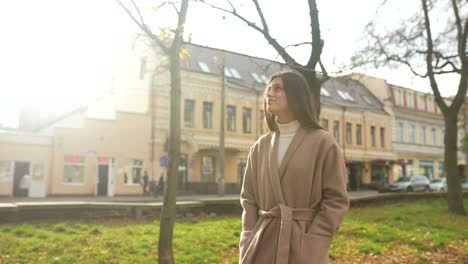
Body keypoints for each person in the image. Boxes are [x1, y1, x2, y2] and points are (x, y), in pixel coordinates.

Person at [239, 71, 349, 264]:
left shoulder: (323, 143)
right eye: (268, 89)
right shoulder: (259, 147)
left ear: (296, 95)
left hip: (303, 248)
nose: (269, 94)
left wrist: (314, 241)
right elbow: (248, 199)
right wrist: (248, 236)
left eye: (278, 88)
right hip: (262, 245)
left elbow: (336, 200)